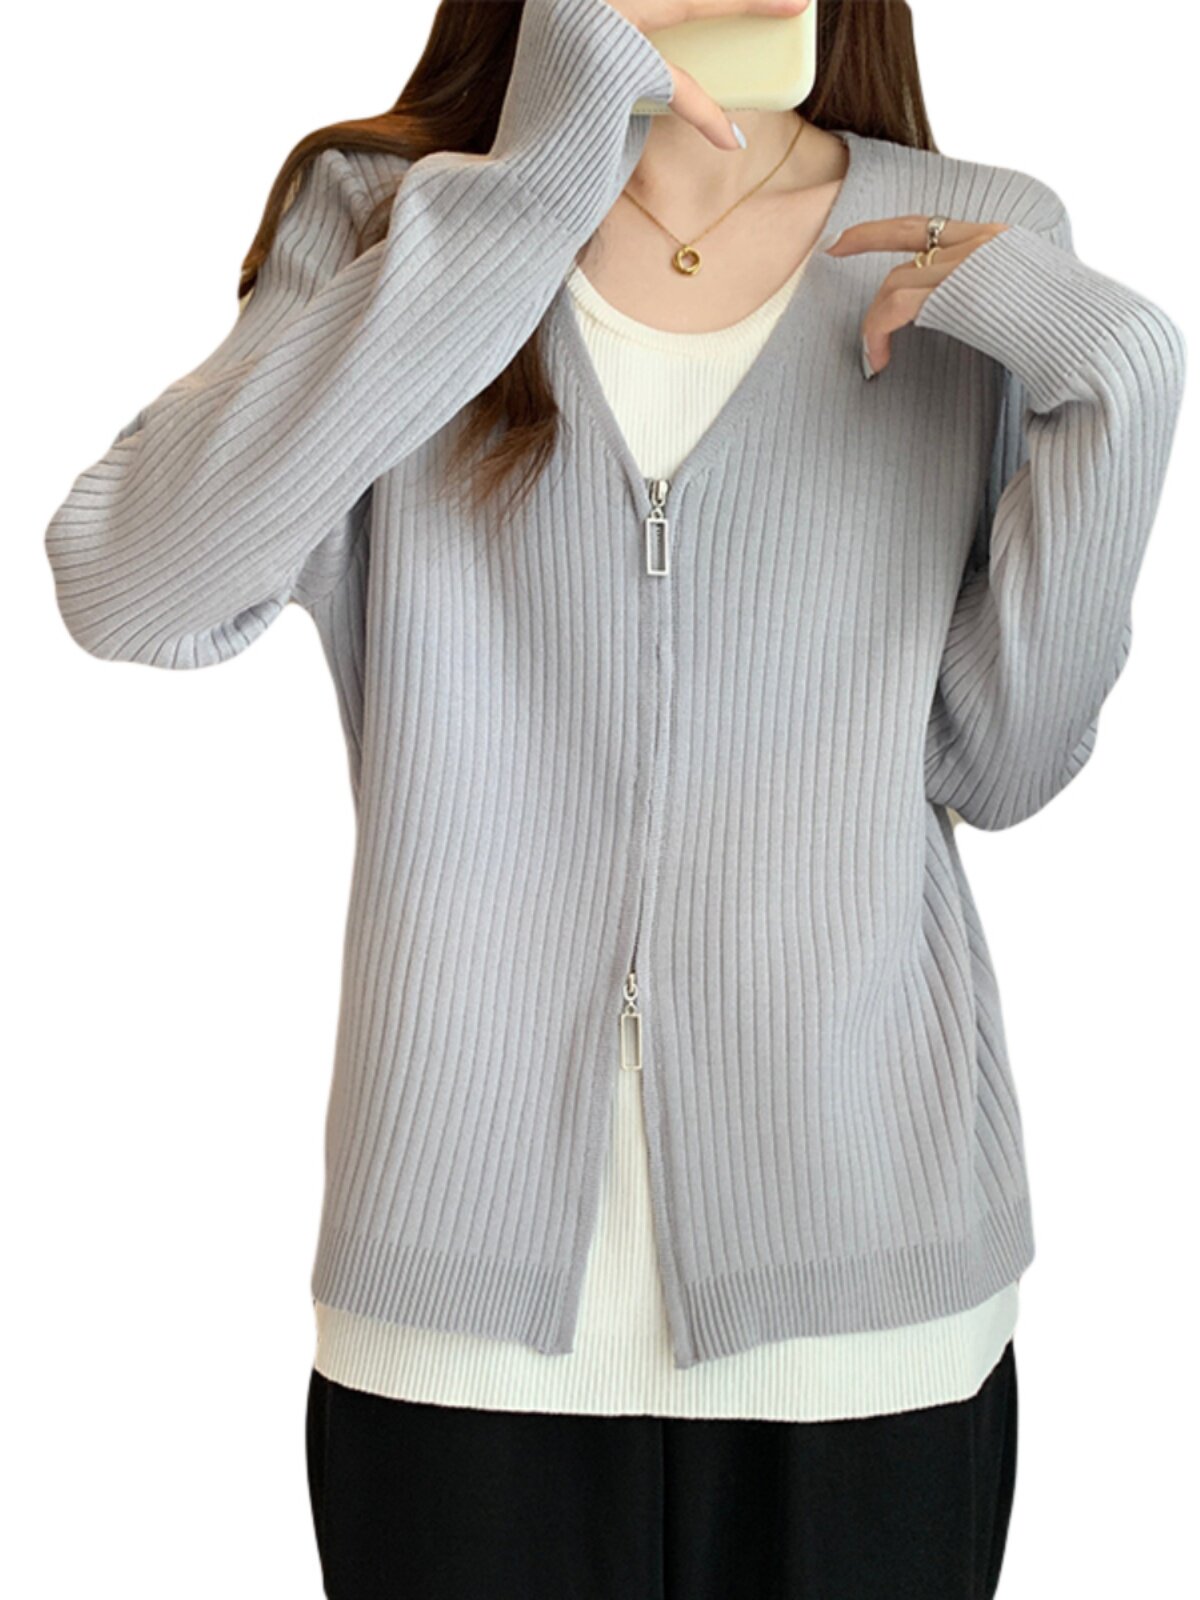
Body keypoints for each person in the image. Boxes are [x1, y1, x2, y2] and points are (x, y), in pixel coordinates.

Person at [42, 1, 1186, 1596]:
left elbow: (997, 764)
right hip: (458, 1333)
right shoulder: (389, 220)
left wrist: (1121, 380)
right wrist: (532, 181)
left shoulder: (970, 240)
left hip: (871, 1315)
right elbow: (132, 588)